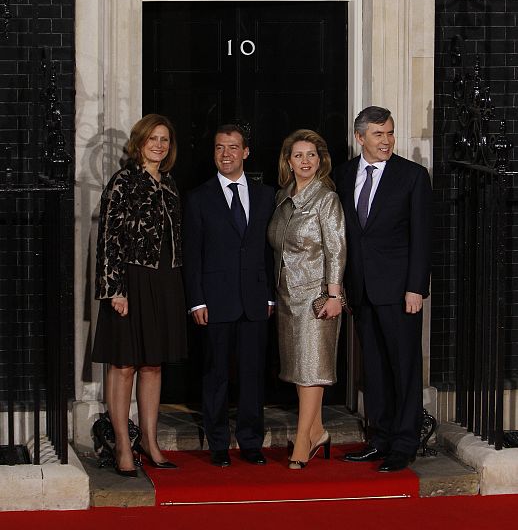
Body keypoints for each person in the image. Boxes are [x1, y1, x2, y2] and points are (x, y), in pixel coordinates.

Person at [334, 106, 432, 472]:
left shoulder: (413, 176)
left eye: (389, 133)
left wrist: (415, 288)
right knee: (373, 370)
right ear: (360, 138)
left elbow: (422, 239)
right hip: (360, 291)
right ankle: (380, 438)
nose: (387, 140)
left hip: (399, 292)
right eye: (378, 134)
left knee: (403, 369)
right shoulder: (343, 175)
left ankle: (405, 444)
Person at [92, 114, 187, 476]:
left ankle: (149, 440)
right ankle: (121, 445)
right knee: (125, 363)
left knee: (153, 364)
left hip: (165, 281)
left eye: (164, 140)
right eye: (153, 139)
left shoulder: (171, 184)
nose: (159, 145)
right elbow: (108, 239)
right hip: (130, 281)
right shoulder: (124, 181)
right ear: (140, 142)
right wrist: (114, 288)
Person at [182, 123, 275, 467]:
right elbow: (193, 254)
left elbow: (269, 251)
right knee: (216, 375)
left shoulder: (266, 195)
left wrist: (269, 297)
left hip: (255, 301)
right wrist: (196, 300)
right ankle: (218, 443)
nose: (226, 154)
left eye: (233, 147)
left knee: (252, 374)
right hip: (215, 301)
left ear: (245, 152)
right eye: (220, 148)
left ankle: (251, 442)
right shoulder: (199, 197)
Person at [267, 129, 346, 470]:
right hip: (287, 297)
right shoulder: (283, 196)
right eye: (298, 155)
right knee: (300, 369)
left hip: (316, 297)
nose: (305, 161)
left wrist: (334, 295)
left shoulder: (326, 198)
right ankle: (316, 431)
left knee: (312, 369)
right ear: (288, 161)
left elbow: (337, 248)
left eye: (311, 155)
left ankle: (303, 440)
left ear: (320, 160)